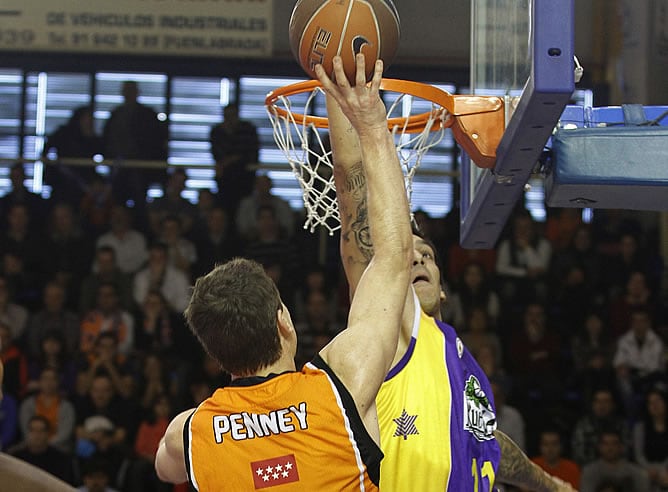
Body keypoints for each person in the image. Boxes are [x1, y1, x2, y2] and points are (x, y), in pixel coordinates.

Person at [154, 55, 413, 490]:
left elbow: (164, 469)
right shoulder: (341, 384)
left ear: (216, 354)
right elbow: (393, 256)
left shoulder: (188, 434)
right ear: (284, 322)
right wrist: (370, 124)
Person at [325, 60, 573, 491]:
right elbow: (355, 191)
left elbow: (490, 446)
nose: (417, 260)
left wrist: (548, 483)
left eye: (428, 255)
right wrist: (343, 87)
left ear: (444, 288)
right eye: (409, 256)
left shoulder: (457, 358)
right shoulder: (394, 327)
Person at [209, 102, 259, 220]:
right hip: (224, 180)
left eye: (232, 115)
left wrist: (231, 160)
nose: (230, 119)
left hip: (244, 179)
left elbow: (249, 154)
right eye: (227, 115)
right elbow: (217, 154)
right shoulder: (217, 131)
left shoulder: (247, 130)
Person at [579, 429, 650, 492]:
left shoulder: (636, 473)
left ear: (621, 447)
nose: (610, 448)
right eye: (606, 444)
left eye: (614, 443)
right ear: (599, 447)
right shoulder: (589, 472)